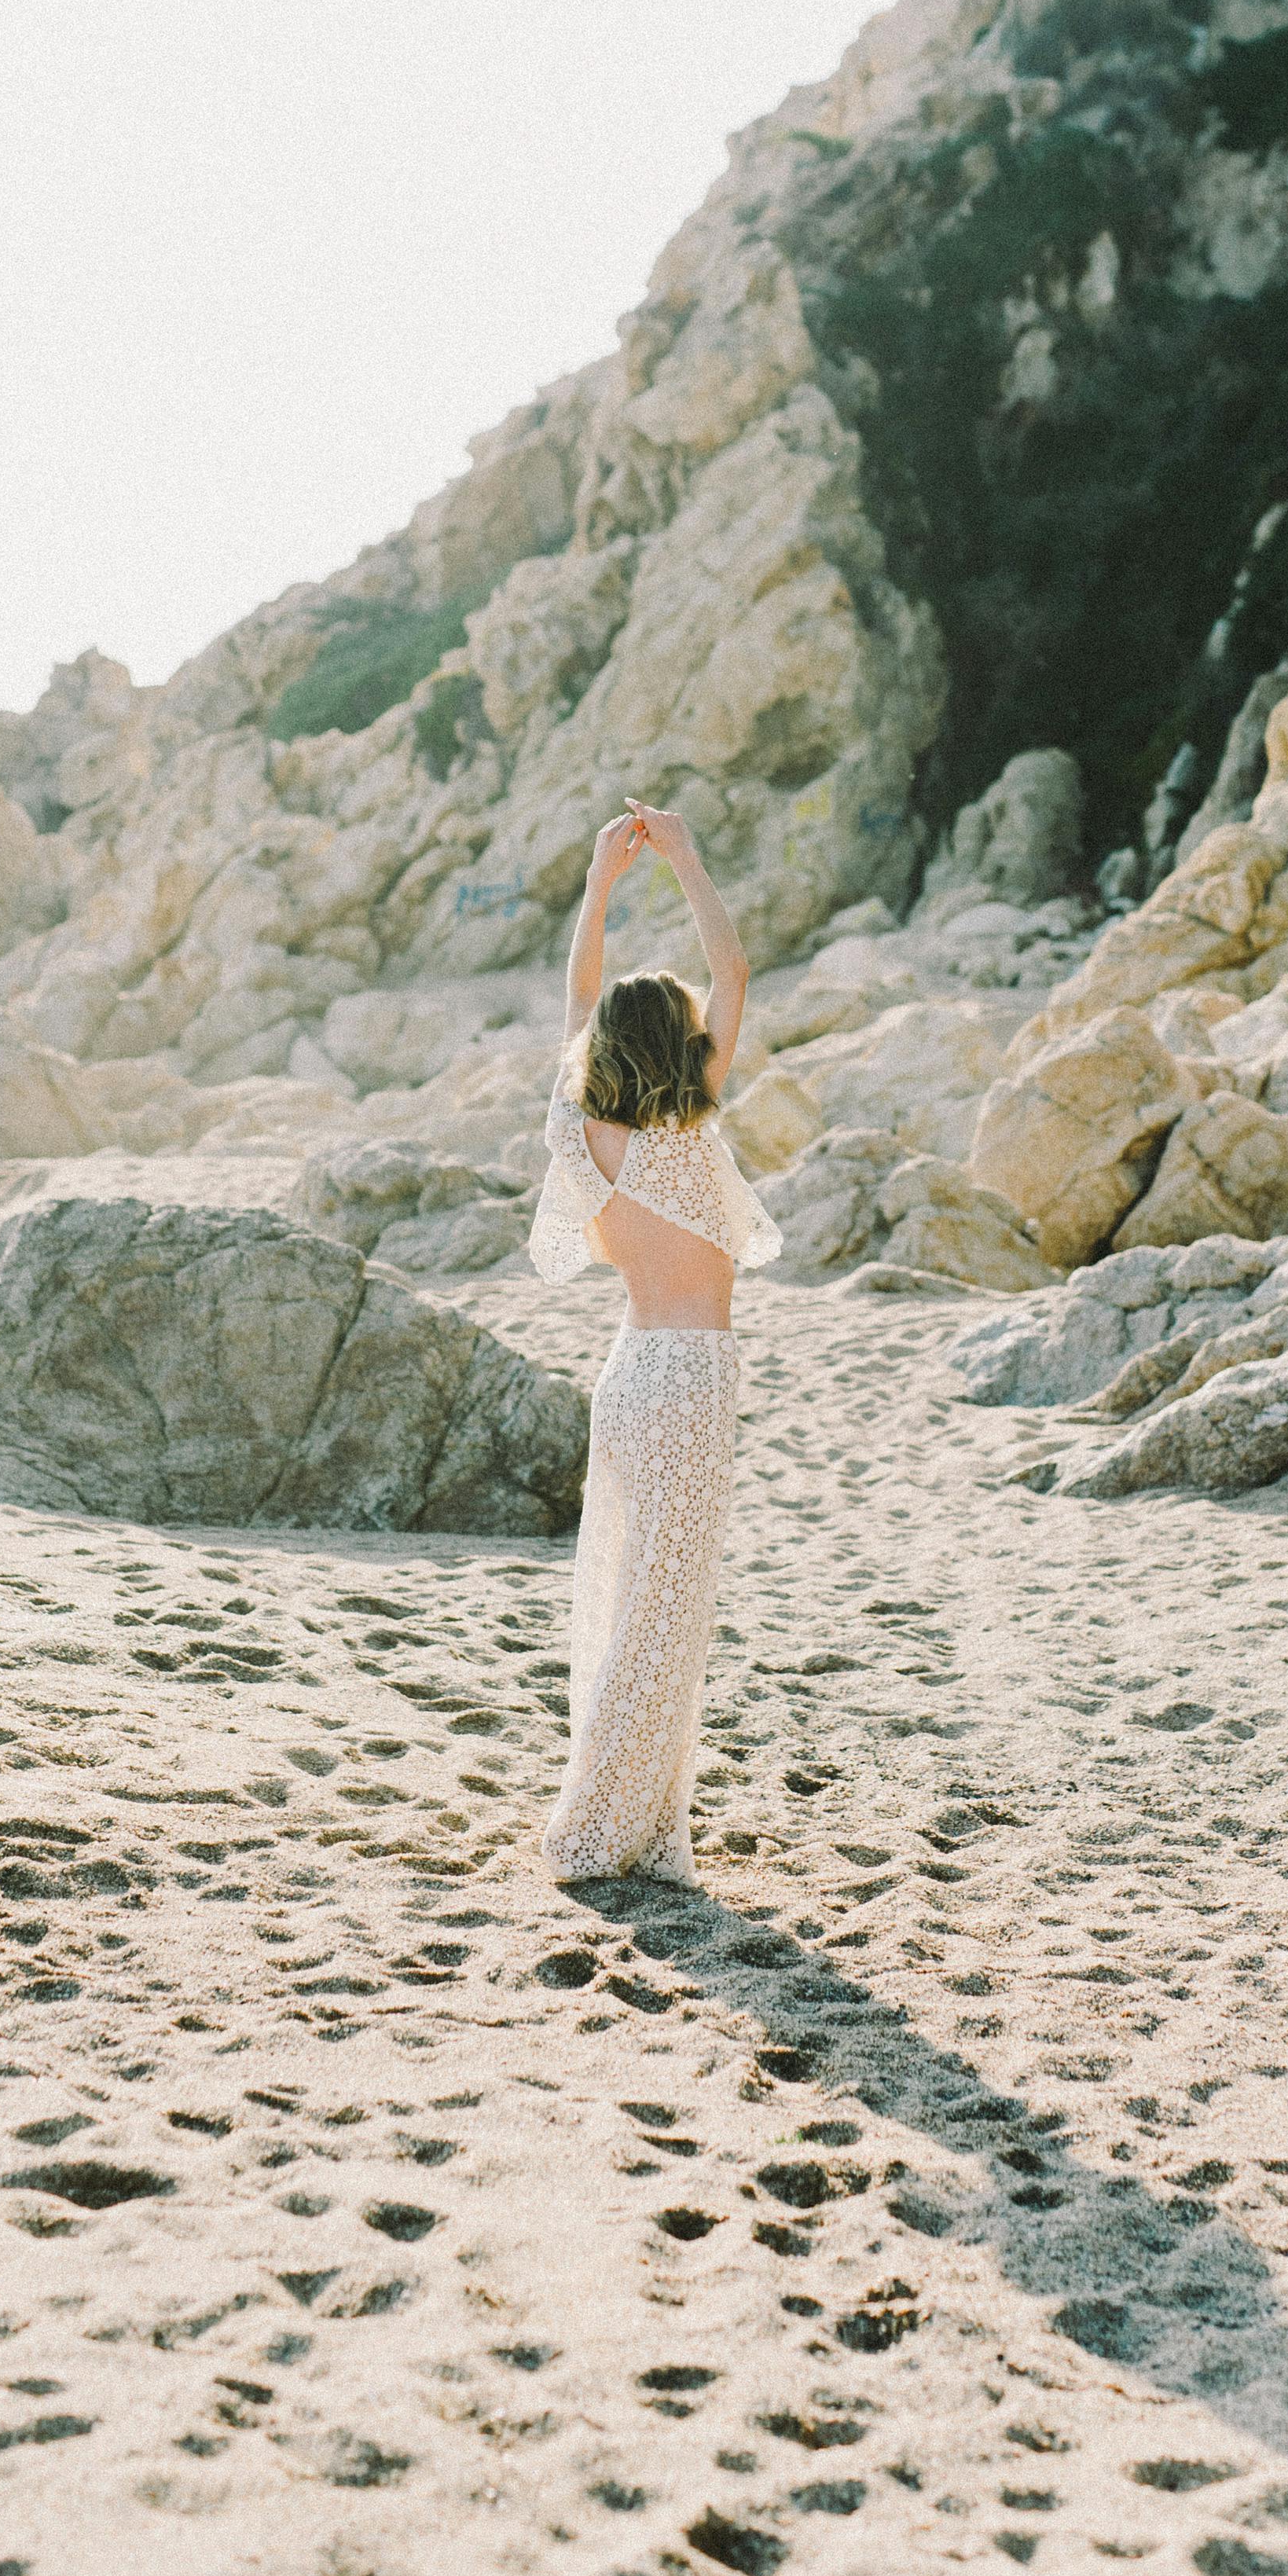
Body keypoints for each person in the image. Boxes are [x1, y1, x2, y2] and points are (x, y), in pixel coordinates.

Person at [527, 800, 780, 1883]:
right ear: (674, 1043)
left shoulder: (579, 1129)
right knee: (664, 1613)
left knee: (638, 1599)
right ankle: (603, 1828)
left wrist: (599, 884)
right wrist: (681, 856)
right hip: (690, 1378)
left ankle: (632, 1815)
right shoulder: (689, 1119)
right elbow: (733, 967)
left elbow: (579, 998)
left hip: (630, 1372)